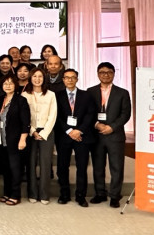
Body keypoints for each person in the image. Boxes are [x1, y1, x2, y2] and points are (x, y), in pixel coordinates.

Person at [88, 62, 131, 208]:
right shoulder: (90, 91)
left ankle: (114, 195)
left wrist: (112, 127)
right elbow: (87, 112)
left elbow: (125, 114)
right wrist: (96, 124)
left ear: (113, 74)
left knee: (117, 167)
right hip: (97, 135)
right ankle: (100, 193)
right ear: (97, 74)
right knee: (98, 166)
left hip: (115, 135)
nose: (105, 75)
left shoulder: (122, 93)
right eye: (102, 72)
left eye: (109, 72)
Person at [55, 69, 97, 207]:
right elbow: (56, 116)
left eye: (73, 77)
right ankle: (64, 194)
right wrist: (69, 131)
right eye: (67, 77)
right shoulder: (57, 96)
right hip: (64, 135)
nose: (70, 80)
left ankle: (81, 196)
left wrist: (79, 131)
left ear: (77, 79)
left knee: (82, 167)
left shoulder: (86, 95)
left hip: (82, 136)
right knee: (62, 166)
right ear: (63, 80)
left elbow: (90, 115)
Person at [22, 67, 58, 204]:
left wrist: (43, 133)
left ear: (44, 78)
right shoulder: (25, 95)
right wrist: (32, 131)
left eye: (40, 76)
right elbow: (23, 116)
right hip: (30, 131)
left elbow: (53, 115)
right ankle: (32, 193)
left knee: (45, 163)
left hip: (46, 131)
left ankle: (44, 194)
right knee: (30, 163)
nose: (37, 79)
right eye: (34, 76)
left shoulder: (51, 94)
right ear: (30, 78)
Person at [0, 74, 30, 206]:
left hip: (15, 140)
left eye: (11, 83)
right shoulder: (0, 100)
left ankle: (16, 195)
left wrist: (23, 139)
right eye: (5, 83)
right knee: (6, 168)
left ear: (15, 85)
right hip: (2, 140)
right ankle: (7, 193)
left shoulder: (21, 100)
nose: (8, 86)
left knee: (15, 168)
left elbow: (25, 122)